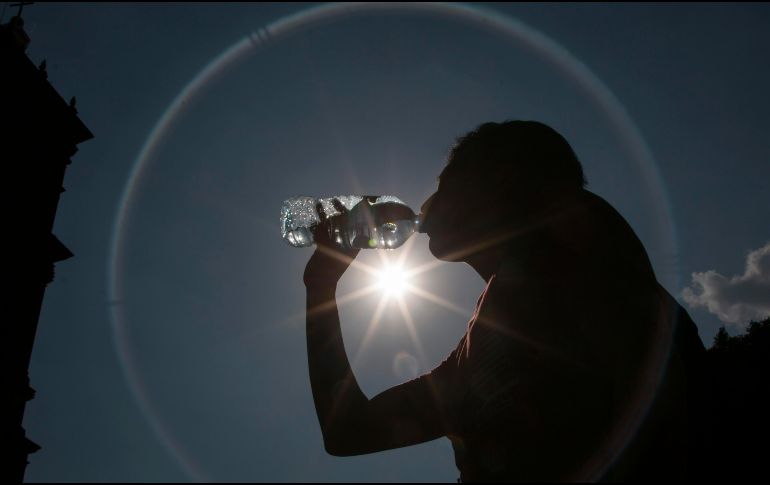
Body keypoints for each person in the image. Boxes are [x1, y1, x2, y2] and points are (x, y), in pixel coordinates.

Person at [302, 121, 711, 482]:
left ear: (501, 181)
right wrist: (321, 287)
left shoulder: (589, 251)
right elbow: (350, 432)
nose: (429, 208)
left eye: (444, 188)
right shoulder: (464, 368)